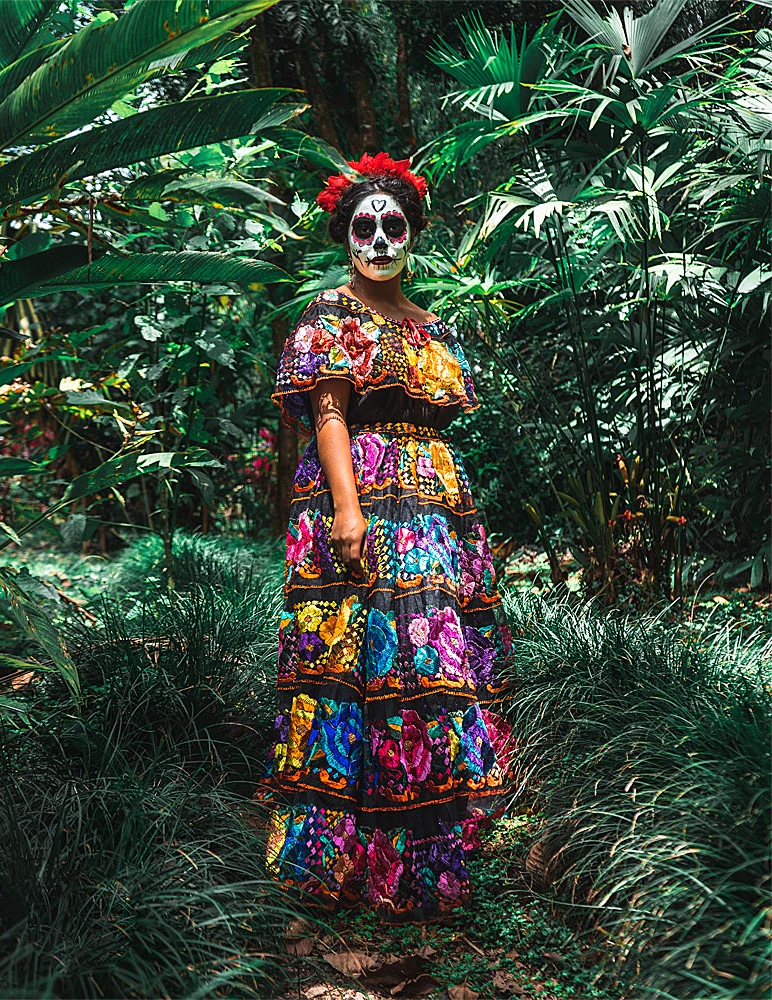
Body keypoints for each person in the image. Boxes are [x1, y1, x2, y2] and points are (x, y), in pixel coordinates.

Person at [253, 151, 517, 925]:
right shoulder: (330, 315)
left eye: (392, 224)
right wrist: (347, 508)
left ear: (413, 233)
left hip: (433, 501)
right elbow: (330, 413)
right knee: (354, 656)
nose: (378, 238)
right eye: (363, 225)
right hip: (361, 492)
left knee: (425, 658)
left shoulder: (430, 325)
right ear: (345, 235)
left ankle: (432, 847)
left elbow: (442, 417)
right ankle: (343, 853)